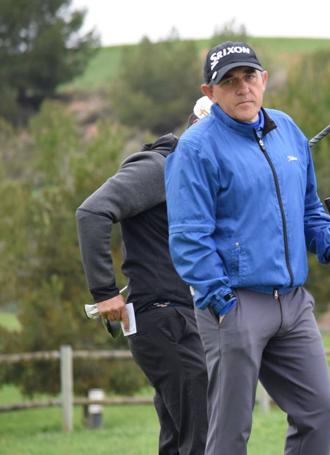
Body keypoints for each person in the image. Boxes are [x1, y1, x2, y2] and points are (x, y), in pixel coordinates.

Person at [164, 41, 330, 455]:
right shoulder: (196, 148)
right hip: (235, 305)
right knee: (231, 432)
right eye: (230, 81)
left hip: (293, 304)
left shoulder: (288, 132)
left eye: (249, 77)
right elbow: (188, 237)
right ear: (210, 92)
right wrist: (223, 303)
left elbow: (309, 208)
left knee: (318, 412)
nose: (243, 89)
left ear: (265, 80)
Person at [76, 101, 212, 454]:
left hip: (179, 314)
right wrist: (105, 292)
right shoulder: (158, 167)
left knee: (180, 437)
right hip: (160, 316)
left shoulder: (197, 178)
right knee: (198, 435)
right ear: (196, 125)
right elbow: (92, 213)